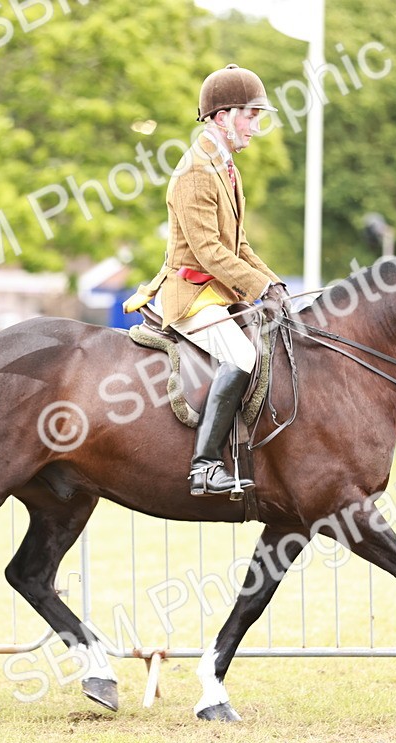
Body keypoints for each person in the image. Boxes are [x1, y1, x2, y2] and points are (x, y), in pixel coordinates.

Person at [122, 64, 289, 497]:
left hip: (217, 291)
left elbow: (240, 245)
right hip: (191, 294)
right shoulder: (196, 170)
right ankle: (205, 466)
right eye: (250, 115)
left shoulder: (225, 167)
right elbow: (210, 253)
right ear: (221, 117)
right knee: (242, 356)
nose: (255, 125)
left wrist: (275, 284)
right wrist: (258, 289)